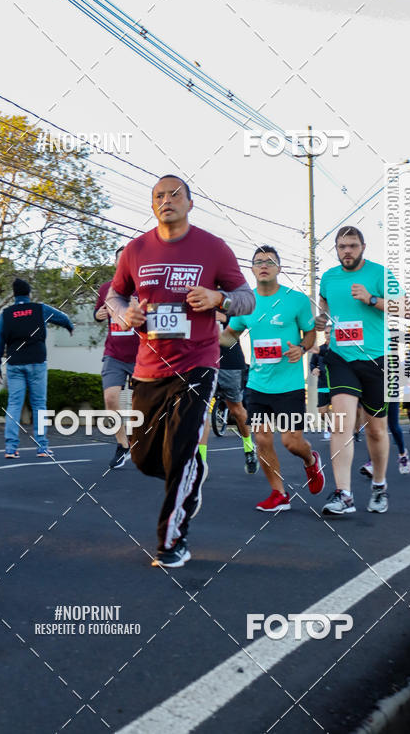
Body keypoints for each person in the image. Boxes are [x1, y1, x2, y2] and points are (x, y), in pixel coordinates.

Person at [106, 174, 255, 568]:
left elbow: (247, 298)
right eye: (159, 195)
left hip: (198, 363)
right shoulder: (135, 250)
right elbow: (115, 295)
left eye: (175, 194)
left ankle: (171, 542)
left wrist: (218, 297)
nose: (166, 200)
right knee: (144, 456)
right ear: (152, 205)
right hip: (149, 367)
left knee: (183, 450)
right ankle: (189, 472)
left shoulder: (213, 248)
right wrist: (126, 314)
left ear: (190, 203)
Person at [221, 246, 324, 512]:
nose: (263, 265)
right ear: (252, 269)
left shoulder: (296, 300)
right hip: (257, 384)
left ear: (279, 268)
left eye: (269, 262)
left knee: (291, 442)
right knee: (263, 441)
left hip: (288, 386)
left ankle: (311, 460)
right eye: (258, 262)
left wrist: (301, 348)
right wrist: (204, 339)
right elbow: (231, 335)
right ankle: (278, 494)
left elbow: (311, 334)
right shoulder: (246, 304)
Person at [316, 226, 407, 516]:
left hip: (377, 360)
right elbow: (325, 306)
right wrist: (321, 321)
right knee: (341, 423)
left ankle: (379, 485)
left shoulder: (379, 273)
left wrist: (371, 299)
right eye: (342, 246)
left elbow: (405, 308)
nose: (347, 251)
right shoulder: (329, 278)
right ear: (336, 248)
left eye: (353, 246)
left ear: (363, 247)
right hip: (341, 358)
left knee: (377, 430)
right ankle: (344, 494)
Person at [0, 278, 74, 458]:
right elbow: (62, 318)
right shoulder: (39, 309)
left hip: (15, 364)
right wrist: (69, 327)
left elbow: (0, 341)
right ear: (29, 293)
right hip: (37, 362)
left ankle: (10, 448)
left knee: (14, 404)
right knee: (39, 404)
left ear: (14, 295)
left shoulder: (6, 314)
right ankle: (42, 447)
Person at [94, 246, 140, 469]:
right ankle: (123, 446)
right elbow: (98, 314)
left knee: (144, 405)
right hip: (114, 354)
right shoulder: (105, 289)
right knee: (111, 399)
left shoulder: (144, 289)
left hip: (142, 356)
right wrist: (98, 314)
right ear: (115, 264)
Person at [197, 309, 257, 474]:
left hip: (230, 363)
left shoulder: (231, 299)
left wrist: (226, 317)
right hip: (204, 362)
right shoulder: (196, 297)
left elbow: (247, 320)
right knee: (202, 412)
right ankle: (201, 463)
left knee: (236, 409)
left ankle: (249, 449)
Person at [310, 325, 332, 441]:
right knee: (323, 412)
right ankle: (330, 426)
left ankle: (346, 430)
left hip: (338, 384)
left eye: (330, 332)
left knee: (342, 411)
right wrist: (314, 369)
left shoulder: (339, 349)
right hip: (323, 384)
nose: (328, 335)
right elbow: (312, 363)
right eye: (326, 333)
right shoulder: (319, 349)